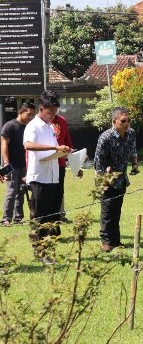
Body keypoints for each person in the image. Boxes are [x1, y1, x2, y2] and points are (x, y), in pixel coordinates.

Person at [23, 92, 72, 263]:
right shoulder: (33, 126)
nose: (53, 115)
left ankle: (48, 250)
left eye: (55, 112)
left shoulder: (50, 127)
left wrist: (66, 152)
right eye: (50, 112)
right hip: (39, 178)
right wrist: (53, 147)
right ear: (41, 108)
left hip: (53, 177)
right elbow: (28, 145)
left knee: (52, 216)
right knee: (40, 216)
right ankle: (40, 252)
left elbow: (55, 150)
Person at [94, 108, 139, 252]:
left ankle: (116, 240)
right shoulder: (105, 137)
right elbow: (98, 161)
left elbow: (133, 150)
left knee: (116, 210)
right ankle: (106, 241)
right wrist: (104, 177)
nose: (127, 124)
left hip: (121, 179)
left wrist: (135, 163)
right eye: (123, 121)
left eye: (128, 121)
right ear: (114, 122)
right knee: (107, 211)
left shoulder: (131, 134)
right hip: (106, 179)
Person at [1, 102, 36, 226]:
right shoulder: (9, 126)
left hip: (24, 165)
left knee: (21, 191)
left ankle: (18, 218)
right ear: (21, 112)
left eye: (32, 115)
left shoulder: (28, 127)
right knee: (12, 191)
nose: (30, 117)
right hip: (11, 165)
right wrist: (6, 163)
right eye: (28, 114)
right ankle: (6, 219)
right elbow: (4, 145)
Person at [52, 107, 81, 223]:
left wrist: (75, 164)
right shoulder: (40, 122)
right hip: (45, 164)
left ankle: (60, 215)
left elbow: (67, 142)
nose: (54, 112)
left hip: (60, 163)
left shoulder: (62, 121)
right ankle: (48, 217)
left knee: (59, 190)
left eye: (56, 109)